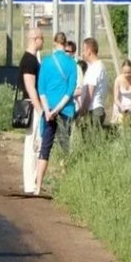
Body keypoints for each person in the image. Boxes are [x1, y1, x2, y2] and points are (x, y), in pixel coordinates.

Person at [35, 32, 78, 195]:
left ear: (54, 43)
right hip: (65, 110)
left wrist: (47, 111)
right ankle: (66, 185)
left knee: (45, 147)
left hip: (48, 111)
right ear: (65, 44)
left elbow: (42, 89)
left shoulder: (46, 62)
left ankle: (38, 186)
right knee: (65, 147)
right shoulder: (71, 64)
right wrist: (57, 110)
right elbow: (70, 90)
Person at [20, 29, 44, 194]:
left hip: (33, 105)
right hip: (32, 105)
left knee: (34, 144)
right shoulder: (29, 61)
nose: (43, 41)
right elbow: (30, 87)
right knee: (32, 145)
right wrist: (40, 109)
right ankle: (30, 183)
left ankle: (33, 182)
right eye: (41, 38)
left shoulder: (32, 59)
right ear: (35, 39)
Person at [80, 37, 107, 128]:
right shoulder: (95, 66)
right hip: (93, 109)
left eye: (83, 50)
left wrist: (82, 110)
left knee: (91, 139)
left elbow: (89, 93)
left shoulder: (95, 68)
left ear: (89, 51)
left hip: (93, 110)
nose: (82, 53)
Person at [111, 60, 131, 125]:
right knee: (120, 126)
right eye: (125, 72)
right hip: (120, 107)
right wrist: (121, 106)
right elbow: (115, 98)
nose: (127, 75)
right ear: (122, 71)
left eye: (129, 72)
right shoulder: (118, 79)